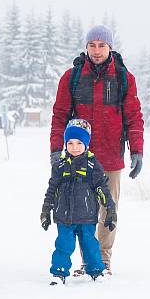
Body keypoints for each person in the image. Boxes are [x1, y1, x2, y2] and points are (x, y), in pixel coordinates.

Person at [49, 24, 144, 275]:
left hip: (111, 157)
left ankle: (103, 259)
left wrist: (137, 150)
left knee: (108, 208)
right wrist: (57, 151)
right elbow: (59, 116)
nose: (97, 50)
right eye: (92, 45)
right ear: (86, 47)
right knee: (79, 210)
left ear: (110, 47)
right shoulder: (72, 77)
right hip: (79, 159)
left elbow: (134, 117)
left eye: (102, 45)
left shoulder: (124, 78)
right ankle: (88, 260)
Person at [40, 119, 117, 285]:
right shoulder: (59, 165)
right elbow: (52, 189)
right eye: (70, 143)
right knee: (63, 245)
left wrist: (110, 208)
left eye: (79, 143)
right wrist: (46, 210)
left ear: (87, 143)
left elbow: (102, 188)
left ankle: (96, 271)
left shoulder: (92, 165)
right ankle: (59, 272)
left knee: (90, 246)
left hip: (86, 216)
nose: (74, 147)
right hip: (64, 216)